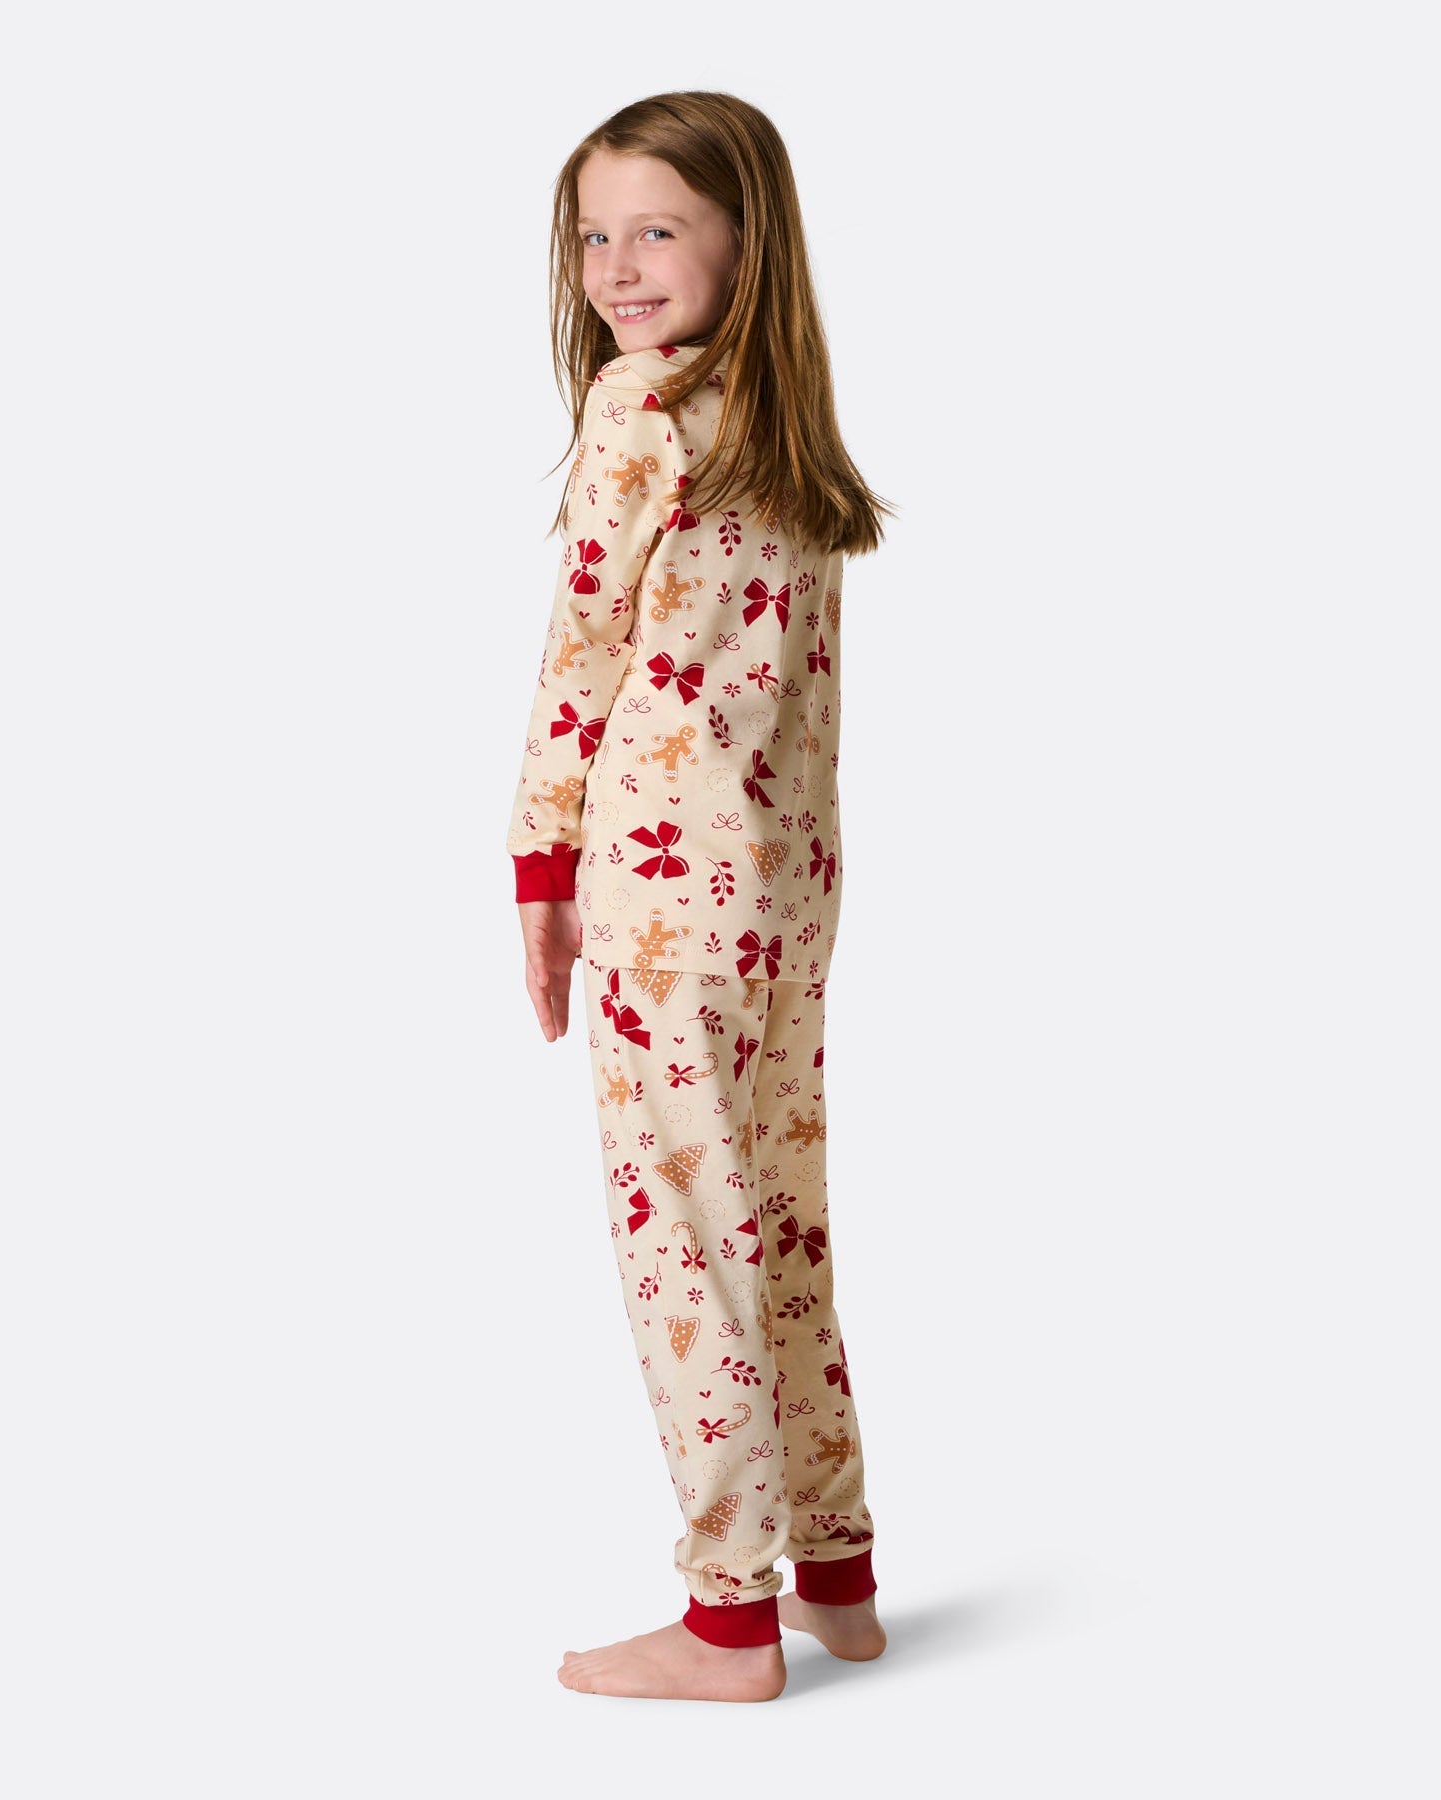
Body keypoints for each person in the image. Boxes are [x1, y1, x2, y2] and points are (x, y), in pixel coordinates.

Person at [505, 91, 895, 1703]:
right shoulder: (782, 427)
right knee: (777, 1218)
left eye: (655, 229)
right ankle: (836, 1577)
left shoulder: (642, 406)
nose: (614, 267)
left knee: (688, 1241)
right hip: (787, 889)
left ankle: (729, 1617)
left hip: (666, 892)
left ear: (746, 239)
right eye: (592, 236)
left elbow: (584, 648)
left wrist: (540, 865)